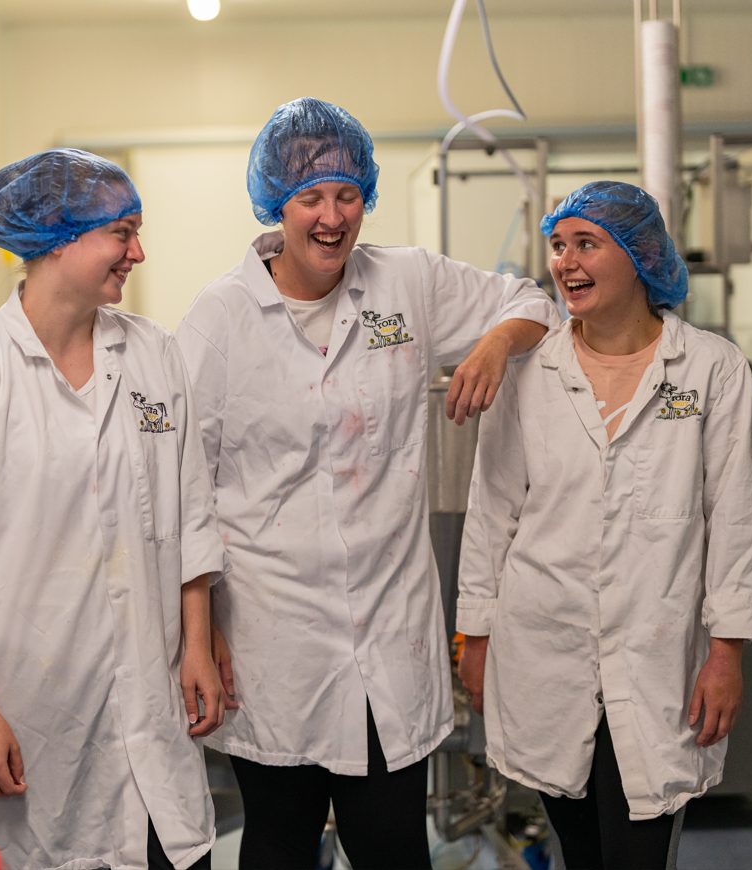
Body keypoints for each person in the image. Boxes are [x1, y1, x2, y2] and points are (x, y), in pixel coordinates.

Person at [175, 97, 559, 869]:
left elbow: (531, 301)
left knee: (390, 848)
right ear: (274, 205)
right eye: (309, 198)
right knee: (279, 843)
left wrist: (489, 348)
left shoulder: (404, 282)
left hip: (388, 631)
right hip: (268, 634)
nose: (330, 217)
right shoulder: (219, 319)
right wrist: (198, 632)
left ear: (366, 198)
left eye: (346, 195)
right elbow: (185, 488)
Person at [0, 149, 229, 870]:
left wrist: (196, 643)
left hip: (149, 713)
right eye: (122, 233)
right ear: (57, 238)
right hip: (29, 719)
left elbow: (189, 513)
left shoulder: (154, 357)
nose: (137, 252)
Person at [456, 181, 752, 870]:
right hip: (543, 646)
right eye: (558, 247)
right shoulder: (529, 372)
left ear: (638, 255)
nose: (566, 262)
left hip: (655, 653)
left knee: (638, 845)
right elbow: (491, 511)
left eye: (586, 245)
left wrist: (727, 653)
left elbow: (738, 517)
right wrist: (473, 636)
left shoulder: (712, 370)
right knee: (578, 845)